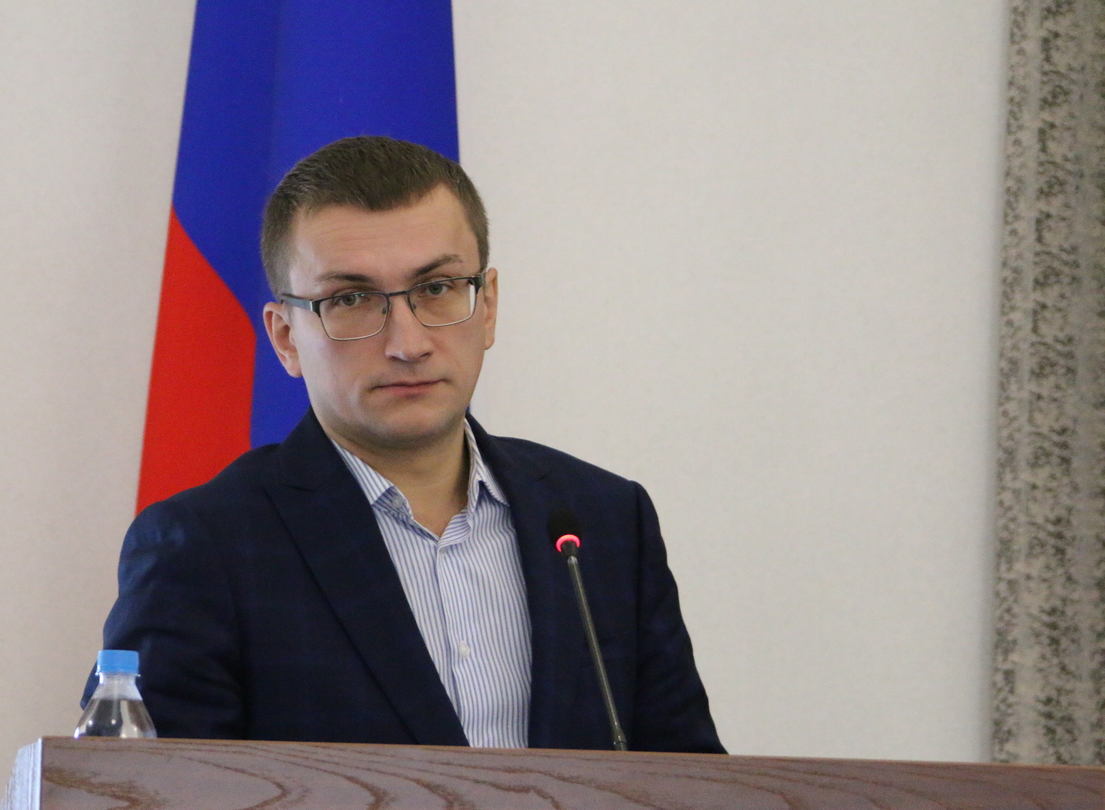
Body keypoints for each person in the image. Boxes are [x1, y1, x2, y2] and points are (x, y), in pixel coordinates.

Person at [86, 136, 724, 752]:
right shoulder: (204, 548)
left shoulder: (602, 523)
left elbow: (689, 782)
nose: (407, 342)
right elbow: (151, 792)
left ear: (488, 305)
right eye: (352, 299)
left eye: (437, 288)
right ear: (285, 338)